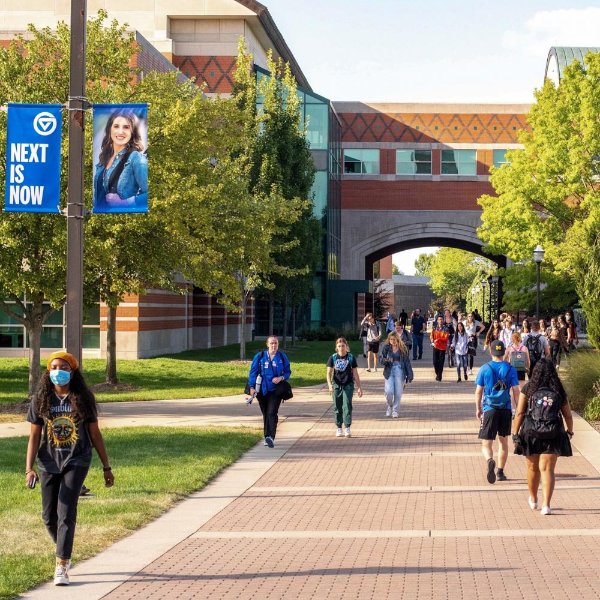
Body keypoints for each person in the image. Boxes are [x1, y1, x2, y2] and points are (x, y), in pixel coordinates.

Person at [25, 351, 114, 586]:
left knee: (65, 512)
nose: (57, 372)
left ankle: (62, 564)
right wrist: (29, 468)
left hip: (77, 459)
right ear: (48, 371)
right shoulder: (41, 399)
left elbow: (95, 434)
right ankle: (64, 549)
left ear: (72, 371)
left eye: (63, 367)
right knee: (48, 517)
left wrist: (106, 466)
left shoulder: (83, 398)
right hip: (48, 462)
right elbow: (34, 437)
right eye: (53, 367)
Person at [511, 358, 574, 515]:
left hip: (531, 432)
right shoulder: (559, 389)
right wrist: (570, 432)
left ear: (535, 371)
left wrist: (515, 433)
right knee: (547, 469)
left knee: (532, 468)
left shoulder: (529, 388)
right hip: (553, 432)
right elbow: (568, 415)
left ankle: (533, 499)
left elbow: (519, 413)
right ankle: (546, 505)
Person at [475, 340, 520, 484]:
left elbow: (478, 391)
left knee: (486, 443)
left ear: (491, 351)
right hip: (505, 409)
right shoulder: (510, 368)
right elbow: (516, 391)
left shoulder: (484, 368)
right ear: (503, 353)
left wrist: (478, 408)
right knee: (503, 442)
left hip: (489, 409)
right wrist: (518, 408)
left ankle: (489, 460)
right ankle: (500, 471)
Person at [94, 109, 148, 212]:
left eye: (126, 127)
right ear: (110, 129)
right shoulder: (103, 159)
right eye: (116, 126)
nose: (120, 131)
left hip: (122, 220)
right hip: (100, 220)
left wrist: (126, 202)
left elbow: (150, 194)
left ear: (132, 132)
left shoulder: (136, 158)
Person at [247, 336, 291, 448]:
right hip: (262, 391)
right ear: (267, 344)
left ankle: (271, 436)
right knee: (266, 413)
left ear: (278, 344)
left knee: (272, 412)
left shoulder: (282, 357)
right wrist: (251, 387)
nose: (274, 345)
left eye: (275, 343)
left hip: (275, 391)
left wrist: (280, 378)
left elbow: (287, 372)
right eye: (271, 343)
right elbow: (253, 373)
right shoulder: (260, 356)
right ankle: (267, 436)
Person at [327, 337, 362, 437]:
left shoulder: (351, 358)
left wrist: (359, 387)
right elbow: (328, 373)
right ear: (336, 348)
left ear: (346, 347)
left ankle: (347, 427)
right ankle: (338, 427)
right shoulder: (333, 358)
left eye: (343, 346)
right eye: (339, 346)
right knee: (337, 406)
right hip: (336, 385)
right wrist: (330, 385)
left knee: (347, 406)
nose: (341, 348)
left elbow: (355, 374)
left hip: (348, 385)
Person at [380, 331, 414, 417]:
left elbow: (407, 362)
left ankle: (395, 411)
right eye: (391, 339)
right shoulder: (386, 348)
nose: (392, 341)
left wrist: (410, 374)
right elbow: (381, 359)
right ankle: (389, 405)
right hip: (389, 370)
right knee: (389, 391)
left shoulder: (403, 348)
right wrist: (385, 360)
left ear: (397, 339)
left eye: (394, 339)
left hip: (399, 369)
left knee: (398, 392)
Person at [430, 315, 450, 382]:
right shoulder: (434, 328)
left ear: (443, 320)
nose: (440, 320)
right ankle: (438, 373)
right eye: (439, 319)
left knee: (441, 362)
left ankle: (439, 376)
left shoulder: (446, 328)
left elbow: (446, 338)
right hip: (435, 346)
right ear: (437, 320)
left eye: (441, 319)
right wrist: (432, 340)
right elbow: (431, 336)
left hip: (442, 348)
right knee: (435, 362)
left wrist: (438, 339)